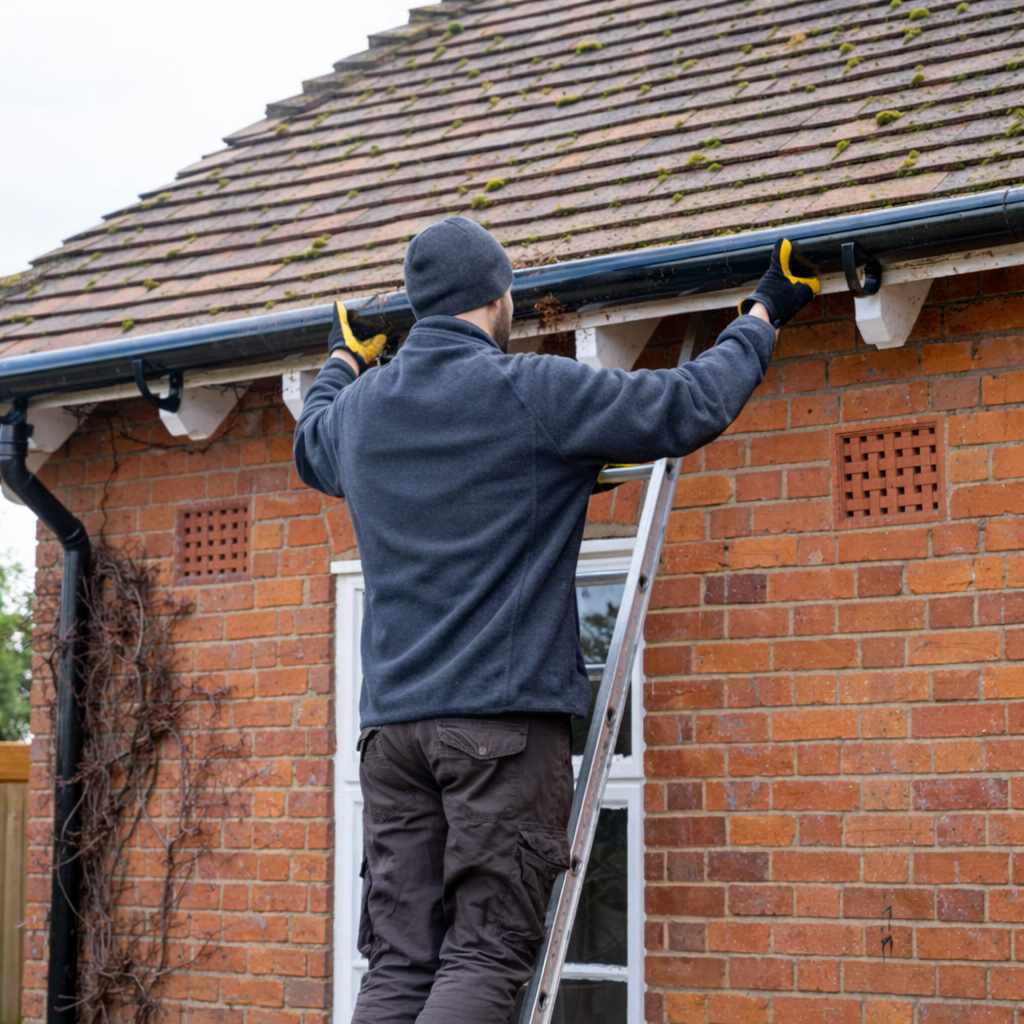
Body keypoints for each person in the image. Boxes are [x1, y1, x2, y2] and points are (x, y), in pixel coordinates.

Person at [293, 217, 819, 1023]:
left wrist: (341, 358)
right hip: (497, 729)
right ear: (497, 296)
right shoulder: (530, 390)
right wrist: (763, 314)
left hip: (391, 737)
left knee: (399, 963)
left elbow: (310, 441)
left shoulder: (362, 413)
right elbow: (689, 403)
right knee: (485, 954)